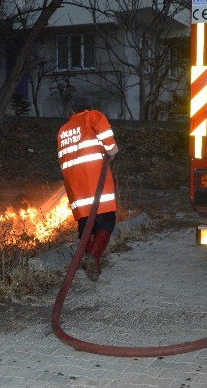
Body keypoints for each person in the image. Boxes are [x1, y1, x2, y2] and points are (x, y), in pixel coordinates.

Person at [57, 98, 118, 281]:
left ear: (72, 112)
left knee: (86, 224)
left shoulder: (63, 130)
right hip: (94, 179)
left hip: (75, 186)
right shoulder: (92, 116)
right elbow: (109, 143)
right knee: (107, 220)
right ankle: (93, 256)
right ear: (88, 108)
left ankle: (90, 258)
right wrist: (112, 150)